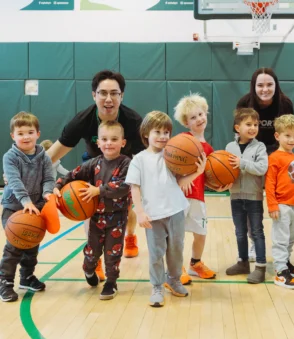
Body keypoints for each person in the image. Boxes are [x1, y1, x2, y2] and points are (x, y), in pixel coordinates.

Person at [45, 70, 143, 280]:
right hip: (92, 167)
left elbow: (147, 157)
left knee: (126, 209)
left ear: (121, 96)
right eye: (103, 93)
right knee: (89, 211)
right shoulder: (82, 120)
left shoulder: (133, 121)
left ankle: (131, 236)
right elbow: (53, 153)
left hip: (122, 167)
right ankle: (95, 258)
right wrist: (29, 172)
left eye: (114, 93)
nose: (108, 99)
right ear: (94, 95)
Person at [125, 111, 206, 307]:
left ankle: (174, 280)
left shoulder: (173, 155)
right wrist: (140, 211)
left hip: (176, 210)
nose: (163, 136)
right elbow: (134, 186)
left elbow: (179, 183)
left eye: (166, 132)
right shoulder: (139, 159)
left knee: (176, 250)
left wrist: (198, 172)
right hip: (153, 215)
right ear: (146, 134)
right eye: (158, 132)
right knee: (156, 253)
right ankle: (157, 286)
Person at [53, 121, 131, 300]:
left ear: (123, 142)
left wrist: (99, 190)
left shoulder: (127, 163)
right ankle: (89, 270)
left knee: (113, 252)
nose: (109, 143)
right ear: (98, 143)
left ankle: (111, 282)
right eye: (104, 139)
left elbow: (123, 186)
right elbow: (72, 175)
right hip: (95, 217)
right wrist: (59, 185)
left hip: (117, 217)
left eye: (114, 139)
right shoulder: (93, 164)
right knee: (92, 251)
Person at [237, 67, 294, 261]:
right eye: (260, 85)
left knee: (281, 201)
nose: (265, 89)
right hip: (253, 152)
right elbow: (239, 135)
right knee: (251, 201)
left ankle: (284, 246)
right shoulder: (245, 103)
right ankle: (254, 242)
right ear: (254, 86)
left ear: (276, 85)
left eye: (269, 84)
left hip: (277, 152)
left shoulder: (285, 103)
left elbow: (289, 131)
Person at [173, 94, 230, 285]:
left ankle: (195, 264)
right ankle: (176, 267)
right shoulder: (181, 141)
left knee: (201, 233)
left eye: (200, 114)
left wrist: (221, 185)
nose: (199, 119)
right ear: (186, 123)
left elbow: (208, 177)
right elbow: (171, 167)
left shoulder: (209, 149)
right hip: (179, 197)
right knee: (177, 234)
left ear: (206, 113)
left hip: (198, 197)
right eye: (193, 117)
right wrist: (180, 178)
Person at [0, 112, 55, 302]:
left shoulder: (44, 157)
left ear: (38, 134)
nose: (26, 137)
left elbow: (49, 178)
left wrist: (48, 192)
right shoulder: (10, 157)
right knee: (15, 245)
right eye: (20, 133)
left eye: (30, 132)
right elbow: (14, 182)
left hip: (37, 206)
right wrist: (26, 202)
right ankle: (5, 282)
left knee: (32, 244)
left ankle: (26, 277)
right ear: (13, 136)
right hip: (14, 207)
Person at [225, 108, 268, 283]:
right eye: (248, 124)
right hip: (235, 195)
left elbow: (261, 168)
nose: (253, 128)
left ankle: (260, 266)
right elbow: (225, 171)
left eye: (256, 125)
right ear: (237, 127)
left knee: (256, 232)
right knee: (240, 232)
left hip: (254, 196)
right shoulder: (229, 147)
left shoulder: (260, 147)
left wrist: (242, 163)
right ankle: (242, 262)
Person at [265, 114, 294, 290]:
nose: (292, 139)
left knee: (291, 238)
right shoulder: (274, 157)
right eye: (287, 135)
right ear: (277, 136)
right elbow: (270, 183)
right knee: (281, 239)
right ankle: (280, 272)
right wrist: (272, 205)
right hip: (282, 205)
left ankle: (286, 262)